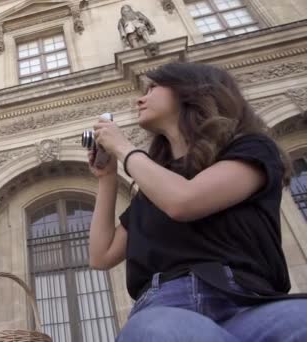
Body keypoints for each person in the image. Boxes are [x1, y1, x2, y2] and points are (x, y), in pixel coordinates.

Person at [87, 62, 307, 341]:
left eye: (153, 87)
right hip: (166, 307)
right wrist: (106, 177)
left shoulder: (251, 149)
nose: (140, 99)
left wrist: (123, 147)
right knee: (159, 330)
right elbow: (101, 255)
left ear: (190, 90)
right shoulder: (153, 189)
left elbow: (183, 201)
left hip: (249, 303)